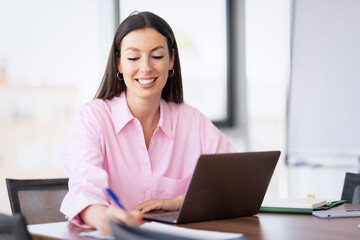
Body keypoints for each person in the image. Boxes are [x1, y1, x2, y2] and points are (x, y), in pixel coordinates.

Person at [60, 11, 236, 235]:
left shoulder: (192, 121)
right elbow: (84, 189)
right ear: (119, 64)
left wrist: (178, 201)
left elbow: (233, 184)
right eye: (133, 58)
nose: (145, 67)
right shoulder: (93, 118)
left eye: (157, 56)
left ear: (171, 60)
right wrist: (105, 217)